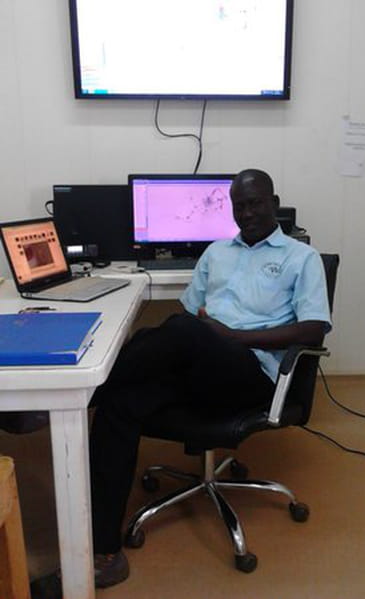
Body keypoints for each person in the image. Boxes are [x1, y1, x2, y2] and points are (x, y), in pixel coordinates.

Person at [32, 168, 331, 596]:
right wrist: (202, 335)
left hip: (251, 373)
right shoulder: (216, 253)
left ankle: (72, 394)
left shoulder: (301, 257)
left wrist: (233, 337)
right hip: (202, 366)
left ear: (274, 203)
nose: (246, 213)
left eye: (255, 203)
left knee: (179, 330)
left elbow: (314, 327)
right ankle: (104, 554)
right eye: (239, 205)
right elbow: (189, 316)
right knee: (122, 403)